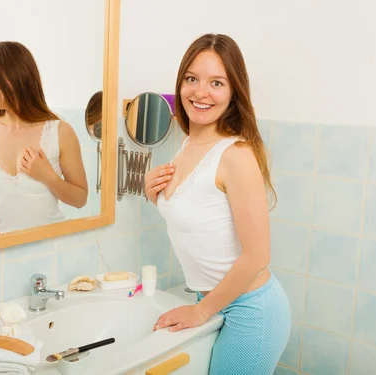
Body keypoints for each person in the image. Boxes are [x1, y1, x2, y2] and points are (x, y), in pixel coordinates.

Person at [145, 34, 291, 374]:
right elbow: (203, 219)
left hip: (251, 309)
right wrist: (156, 196)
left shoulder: (235, 154)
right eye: (191, 79)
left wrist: (200, 311)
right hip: (213, 300)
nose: (200, 92)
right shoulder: (186, 146)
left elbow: (258, 255)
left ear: (233, 92)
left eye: (217, 83)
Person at [0, 41, 88, 236]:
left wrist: (48, 177)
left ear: (14, 75)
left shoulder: (60, 131)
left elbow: (80, 199)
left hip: (53, 251)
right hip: (2, 255)